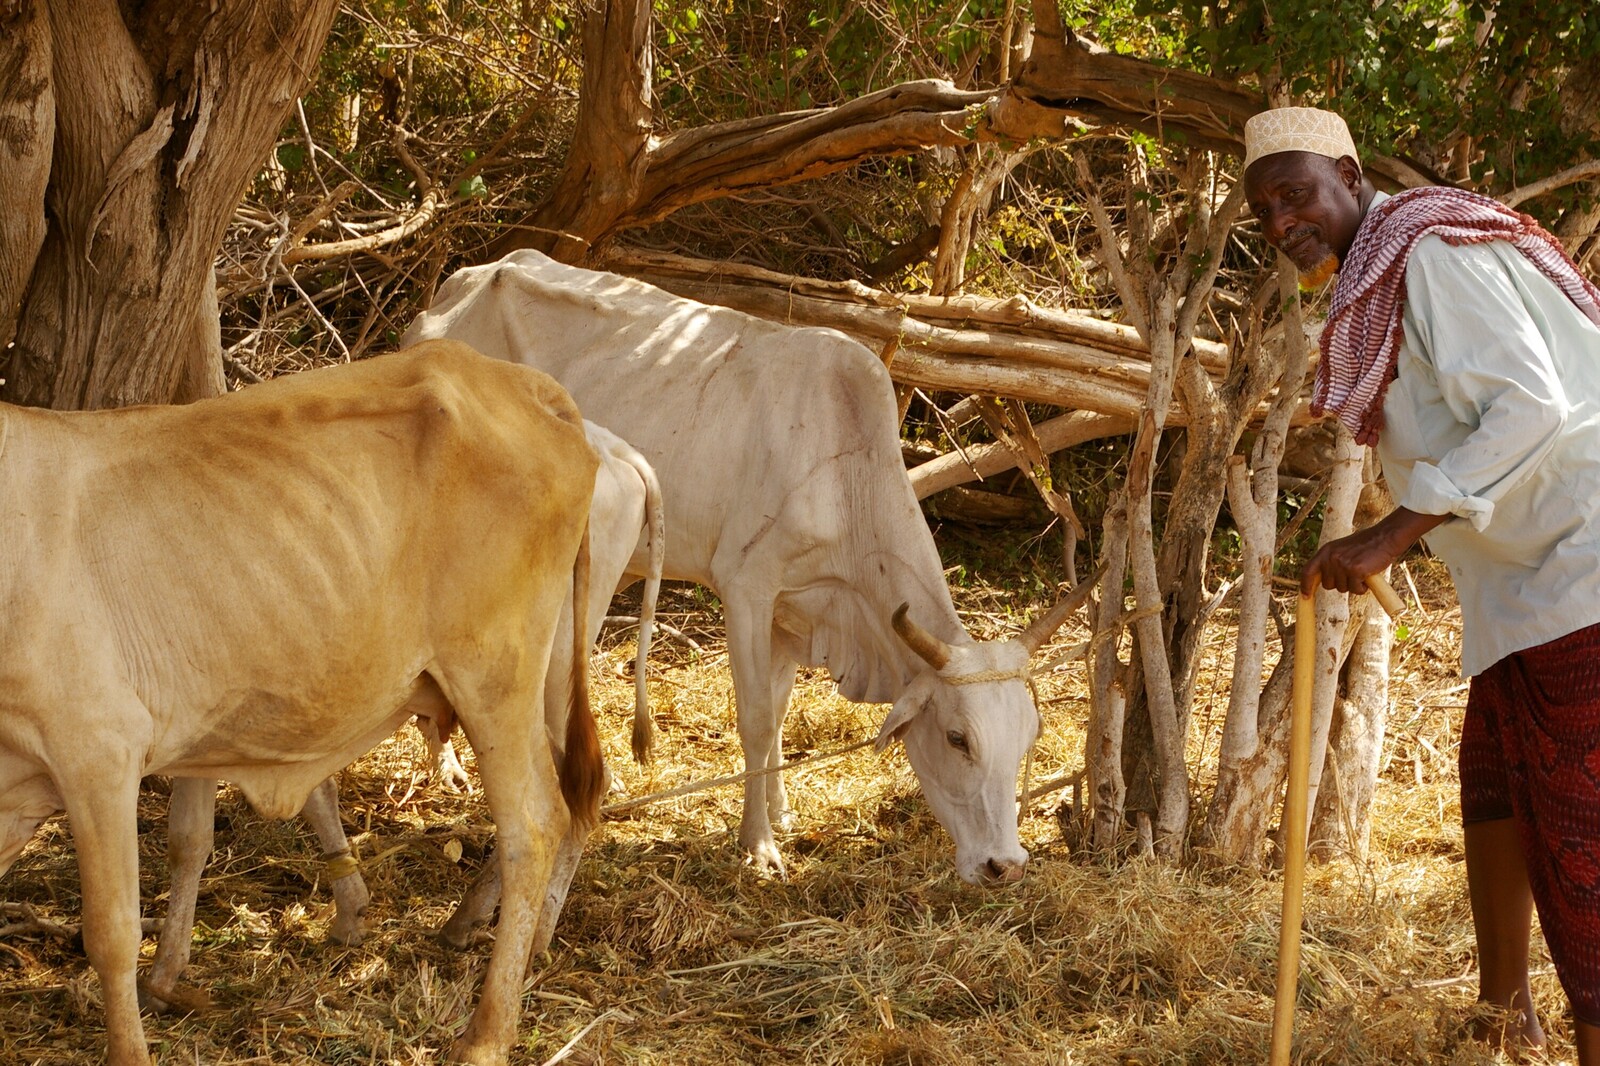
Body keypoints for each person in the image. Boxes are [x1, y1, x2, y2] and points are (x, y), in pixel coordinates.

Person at [1242, 105, 1600, 1061]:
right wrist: (1380, 535)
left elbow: (1531, 407)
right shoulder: (1383, 269)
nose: (1281, 223)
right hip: (1528, 578)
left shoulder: (1434, 251)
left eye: (1296, 194)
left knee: (1578, 828)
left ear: (1351, 176)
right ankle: (1502, 1014)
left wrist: (1392, 535)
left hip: (1583, 562)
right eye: (1262, 208)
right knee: (1493, 782)